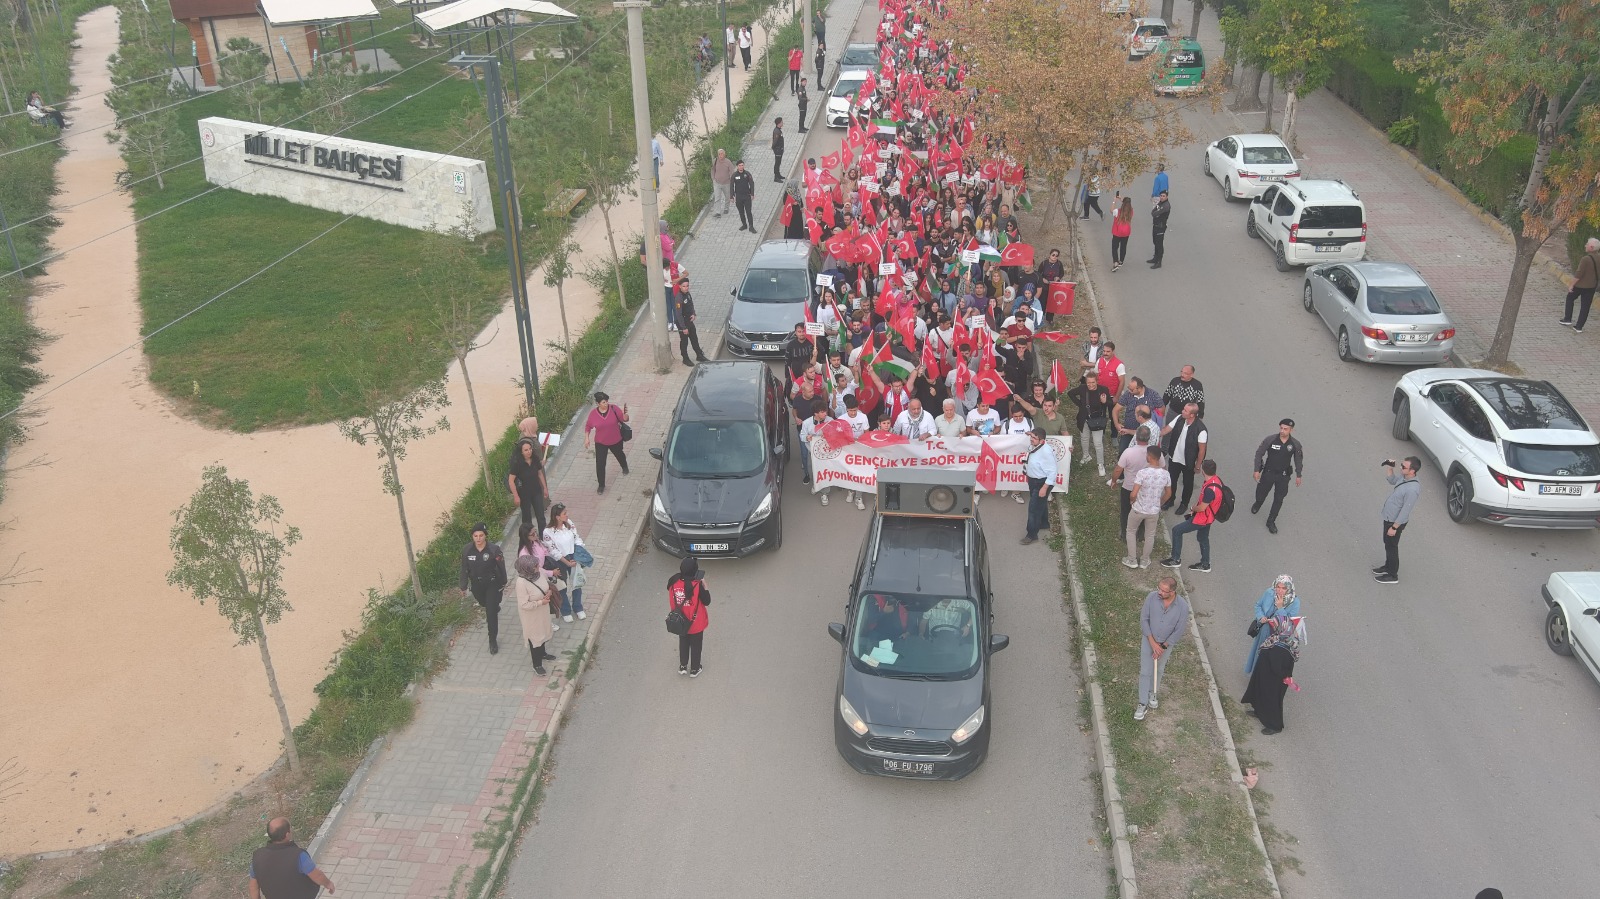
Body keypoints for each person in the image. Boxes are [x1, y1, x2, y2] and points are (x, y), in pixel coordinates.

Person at [1136, 577, 1189, 721]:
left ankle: (1153, 692)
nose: (1159, 592)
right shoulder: (1151, 597)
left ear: (1172, 591)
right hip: (1149, 640)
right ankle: (1142, 703)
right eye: (1159, 588)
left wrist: (1164, 646)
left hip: (1166, 644)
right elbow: (1144, 619)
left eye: (1164, 591)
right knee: (1145, 671)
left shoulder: (1183, 606)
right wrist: (1152, 643)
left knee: (1159, 669)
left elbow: (1179, 629)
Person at [1241, 612, 1301, 735]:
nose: (1273, 625)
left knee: (1271, 700)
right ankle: (1259, 711)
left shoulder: (1281, 646)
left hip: (1273, 681)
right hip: (1266, 676)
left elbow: (1277, 668)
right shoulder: (1279, 638)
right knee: (1261, 694)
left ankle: (1274, 725)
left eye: (1275, 623)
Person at [1160, 458, 1222, 573]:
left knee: (1177, 530)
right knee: (1202, 538)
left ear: (1203, 471)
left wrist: (1193, 508)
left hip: (1202, 518)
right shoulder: (1216, 481)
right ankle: (1205, 564)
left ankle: (1175, 559)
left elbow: (1203, 507)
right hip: (1209, 518)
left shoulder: (1210, 490)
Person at [248, 818, 335, 899]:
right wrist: (328, 883)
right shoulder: (298, 855)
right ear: (287, 835)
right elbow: (317, 875)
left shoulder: (258, 856)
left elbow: (253, 886)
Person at [459, 523, 507, 654]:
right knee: (483, 603)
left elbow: (501, 566)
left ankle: (492, 640)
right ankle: (493, 605)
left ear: (485, 536)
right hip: (476, 585)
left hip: (492, 583)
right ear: (472, 537)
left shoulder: (494, 549)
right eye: (475, 536)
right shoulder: (467, 550)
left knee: (490, 613)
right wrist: (463, 586)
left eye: (481, 535)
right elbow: (464, 569)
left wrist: (504, 582)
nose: (478, 538)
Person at [1251, 418, 1305, 535]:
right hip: (1268, 473)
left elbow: (1298, 460)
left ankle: (1271, 521)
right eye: (1281, 428)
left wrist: (1298, 475)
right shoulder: (1270, 440)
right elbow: (1259, 453)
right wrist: (1257, 470)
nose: (1282, 431)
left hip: (1283, 476)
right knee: (1260, 493)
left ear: (1291, 430)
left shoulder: (1295, 444)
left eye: (1285, 429)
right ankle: (1258, 503)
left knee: (1279, 499)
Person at [1374, 456, 1422, 584]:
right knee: (1388, 544)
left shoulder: (1413, 489)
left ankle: (1392, 575)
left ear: (1412, 471)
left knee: (1392, 547)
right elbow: (1392, 480)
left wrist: (1394, 527)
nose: (1401, 468)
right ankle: (1387, 566)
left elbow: (1406, 510)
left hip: (1394, 522)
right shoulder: (1404, 477)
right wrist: (1390, 467)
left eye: (1403, 467)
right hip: (1389, 518)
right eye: (1401, 465)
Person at [1124, 444, 1171, 570]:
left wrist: (1132, 501)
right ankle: (1145, 560)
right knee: (1150, 535)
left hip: (1139, 508)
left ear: (1150, 457)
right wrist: (1159, 503)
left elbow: (1133, 493)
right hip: (1153, 511)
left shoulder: (1142, 473)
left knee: (1131, 531)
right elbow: (1168, 494)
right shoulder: (1165, 474)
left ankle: (1132, 559)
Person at [1246, 575, 1301, 674]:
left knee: (1270, 659)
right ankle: (1256, 677)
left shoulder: (1295, 602)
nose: (1280, 590)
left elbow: (1288, 623)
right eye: (1278, 587)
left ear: (1289, 588)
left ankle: (1265, 679)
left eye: (1284, 588)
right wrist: (1261, 617)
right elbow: (1258, 605)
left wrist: (1280, 608)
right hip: (1264, 630)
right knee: (1259, 654)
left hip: (1278, 636)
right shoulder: (1269, 593)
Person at [514, 554, 558, 676]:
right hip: (531, 615)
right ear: (527, 568)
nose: (538, 566)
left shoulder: (539, 573)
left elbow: (547, 585)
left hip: (542, 611)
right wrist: (540, 602)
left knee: (543, 631)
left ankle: (543, 653)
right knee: (535, 638)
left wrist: (549, 592)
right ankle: (537, 664)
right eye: (535, 566)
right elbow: (524, 604)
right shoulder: (521, 582)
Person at [1160, 401, 1208, 511]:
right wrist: (1153, 434)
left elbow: (1202, 450)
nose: (1182, 411)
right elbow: (1166, 429)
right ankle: (1170, 500)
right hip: (1174, 458)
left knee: (1187, 484)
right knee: (1171, 480)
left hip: (1189, 462)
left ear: (1192, 415)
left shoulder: (1201, 430)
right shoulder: (1179, 418)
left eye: (1185, 410)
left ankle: (1184, 504)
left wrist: (1197, 465)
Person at [668, 556, 711, 676]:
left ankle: (683, 666)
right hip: (696, 623)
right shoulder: (697, 585)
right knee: (696, 646)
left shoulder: (673, 582)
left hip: (680, 621)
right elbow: (707, 601)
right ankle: (695, 669)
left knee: (683, 643)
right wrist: (705, 587)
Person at [1068, 371, 1113, 477]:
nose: (1091, 385)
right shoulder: (1082, 388)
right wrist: (1080, 405)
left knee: (1098, 443)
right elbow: (1070, 393)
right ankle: (1086, 455)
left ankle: (1100, 464)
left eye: (1093, 382)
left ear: (1097, 381)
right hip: (1084, 419)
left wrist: (1104, 402)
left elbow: (1110, 403)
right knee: (1084, 438)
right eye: (1089, 382)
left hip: (1097, 420)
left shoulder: (1103, 389)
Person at [583, 391, 630, 494]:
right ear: (598, 403)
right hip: (601, 443)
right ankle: (601, 485)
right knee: (600, 464)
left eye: (607, 401)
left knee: (620, 455)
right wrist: (587, 438)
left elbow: (624, 419)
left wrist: (625, 414)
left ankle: (624, 466)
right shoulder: (593, 415)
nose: (606, 404)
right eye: (604, 402)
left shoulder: (614, 408)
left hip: (616, 440)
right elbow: (588, 426)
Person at [1112, 423, 1154, 534]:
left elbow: (1118, 470)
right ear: (1149, 438)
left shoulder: (1128, 452)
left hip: (1129, 487)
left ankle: (1125, 534)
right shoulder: (1154, 452)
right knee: (1143, 510)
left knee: (1126, 511)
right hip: (1146, 488)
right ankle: (1140, 533)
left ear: (1136, 436)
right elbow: (1162, 467)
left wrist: (1114, 481)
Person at [1020, 429, 1057, 545]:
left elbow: (1052, 472)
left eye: (1034, 438)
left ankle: (1031, 534)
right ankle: (1043, 523)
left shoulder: (1046, 452)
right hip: (1033, 480)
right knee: (1041, 503)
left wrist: (1045, 488)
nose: (1031, 439)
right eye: (1031, 437)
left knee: (1034, 509)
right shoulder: (1035, 446)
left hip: (1041, 483)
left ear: (1041, 441)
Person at [507, 437, 549, 535]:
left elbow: (539, 473)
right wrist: (516, 496)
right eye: (526, 450)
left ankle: (544, 537)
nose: (529, 452)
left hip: (536, 491)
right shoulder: (517, 464)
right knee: (527, 518)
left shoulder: (535, 459)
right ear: (521, 452)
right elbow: (511, 480)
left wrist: (545, 488)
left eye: (530, 449)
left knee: (541, 516)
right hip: (524, 494)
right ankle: (529, 538)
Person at [1560, 236, 1599, 332]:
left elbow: (1578, 274)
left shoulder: (1586, 259)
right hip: (1592, 286)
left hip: (1580, 286)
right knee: (1585, 307)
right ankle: (1579, 327)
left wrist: (1571, 284)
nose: (1585, 245)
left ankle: (1567, 319)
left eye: (1587, 244)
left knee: (1570, 298)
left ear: (1591, 247)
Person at [1112, 375, 1160, 453]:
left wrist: (1155, 422)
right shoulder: (1128, 394)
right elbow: (1115, 410)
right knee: (1122, 452)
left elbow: (1161, 410)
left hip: (1144, 434)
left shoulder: (1153, 395)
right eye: (1128, 388)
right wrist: (1116, 424)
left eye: (1131, 389)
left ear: (1139, 388)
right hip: (1128, 430)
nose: (1129, 391)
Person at [799, 403, 832, 498]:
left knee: (825, 471)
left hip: (826, 453)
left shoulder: (830, 421)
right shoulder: (806, 423)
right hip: (812, 452)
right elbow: (802, 436)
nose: (825, 414)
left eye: (826, 411)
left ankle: (825, 493)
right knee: (813, 470)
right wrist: (807, 437)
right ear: (815, 413)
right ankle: (816, 485)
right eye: (822, 412)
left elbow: (836, 433)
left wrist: (829, 435)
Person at [674, 276, 709, 366]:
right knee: (684, 341)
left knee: (694, 338)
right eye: (684, 286)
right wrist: (684, 328)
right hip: (683, 323)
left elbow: (691, 304)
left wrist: (693, 314)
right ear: (680, 287)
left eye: (687, 286)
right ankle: (685, 358)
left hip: (689, 320)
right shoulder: (679, 298)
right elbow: (678, 315)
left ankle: (699, 355)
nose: (686, 288)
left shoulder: (688, 294)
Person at [1110, 195, 1133, 272]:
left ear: (1123, 204)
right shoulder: (1131, 211)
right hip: (1126, 232)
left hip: (1117, 232)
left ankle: (1115, 262)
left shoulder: (1118, 211)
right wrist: (1121, 199)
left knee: (1115, 247)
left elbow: (1111, 210)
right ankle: (1121, 261)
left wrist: (1114, 200)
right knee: (1123, 246)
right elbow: (1127, 203)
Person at [1149, 189, 1171, 269]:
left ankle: (1159, 262)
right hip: (1155, 225)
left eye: (1163, 196)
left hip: (1160, 227)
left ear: (1167, 197)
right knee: (1155, 242)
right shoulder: (1161, 203)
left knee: (1159, 244)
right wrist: (1155, 213)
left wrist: (1155, 213)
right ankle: (1155, 258)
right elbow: (1153, 211)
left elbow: (1155, 213)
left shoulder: (1166, 205)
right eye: (1161, 196)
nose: (1161, 197)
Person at [732, 159, 756, 231]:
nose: (741, 167)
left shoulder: (747, 174)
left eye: (742, 165)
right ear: (737, 166)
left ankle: (751, 226)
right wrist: (731, 196)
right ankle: (744, 225)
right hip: (739, 197)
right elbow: (731, 186)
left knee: (748, 212)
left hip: (747, 196)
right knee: (741, 212)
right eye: (739, 165)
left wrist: (752, 194)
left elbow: (751, 183)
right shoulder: (734, 175)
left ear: (744, 166)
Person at [711, 148, 734, 217]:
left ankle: (726, 208)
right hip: (717, 183)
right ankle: (718, 212)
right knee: (717, 198)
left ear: (724, 154)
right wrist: (713, 179)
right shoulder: (715, 161)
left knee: (727, 196)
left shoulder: (728, 162)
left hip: (726, 183)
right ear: (718, 155)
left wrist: (731, 180)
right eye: (719, 154)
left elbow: (732, 171)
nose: (720, 155)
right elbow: (712, 170)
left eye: (722, 154)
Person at [771, 117, 786, 183]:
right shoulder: (777, 131)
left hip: (780, 149)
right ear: (779, 123)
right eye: (782, 122)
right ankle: (776, 177)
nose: (782, 123)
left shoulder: (779, 130)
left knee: (779, 162)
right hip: (778, 150)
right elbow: (775, 141)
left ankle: (778, 175)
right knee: (777, 163)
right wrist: (773, 147)